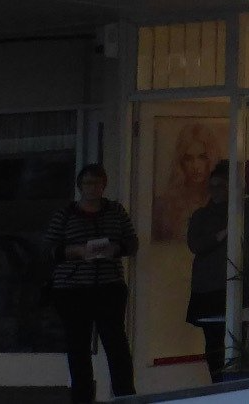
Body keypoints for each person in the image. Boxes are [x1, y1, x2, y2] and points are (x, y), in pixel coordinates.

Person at [44, 163, 138, 404]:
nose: (92, 188)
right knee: (78, 348)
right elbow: (49, 249)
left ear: (103, 185)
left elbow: (132, 242)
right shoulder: (65, 214)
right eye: (87, 183)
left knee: (116, 345)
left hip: (108, 286)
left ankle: (125, 396)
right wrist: (76, 251)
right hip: (73, 289)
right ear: (80, 186)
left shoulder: (115, 211)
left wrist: (116, 248)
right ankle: (82, 398)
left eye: (97, 183)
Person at [186, 160, 249, 382]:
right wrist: (221, 235)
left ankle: (239, 385)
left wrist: (244, 184)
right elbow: (195, 244)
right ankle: (218, 384)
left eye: (221, 186)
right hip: (210, 287)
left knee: (242, 341)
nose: (216, 191)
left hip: (240, 283)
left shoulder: (243, 209)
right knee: (214, 342)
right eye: (212, 186)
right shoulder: (202, 215)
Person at [152, 123, 224, 242]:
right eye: (188, 159)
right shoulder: (164, 206)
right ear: (181, 162)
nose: (195, 166)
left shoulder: (223, 202)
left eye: (202, 157)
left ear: (211, 159)